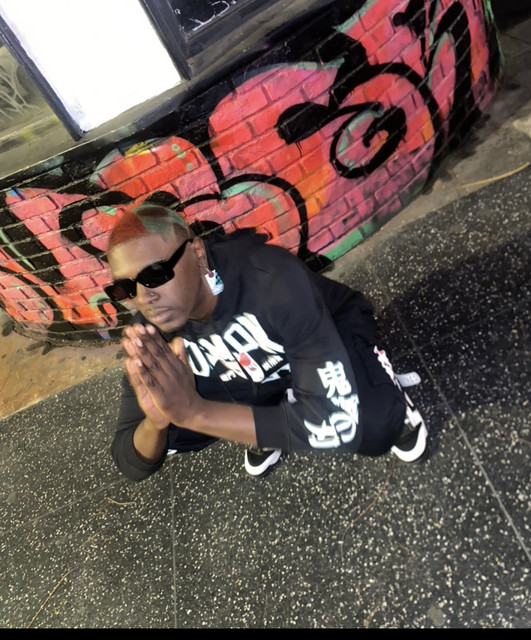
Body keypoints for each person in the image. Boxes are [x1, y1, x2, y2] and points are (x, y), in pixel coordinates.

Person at [104, 204, 428, 482]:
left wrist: (196, 413)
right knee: (167, 420)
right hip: (255, 373)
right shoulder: (151, 334)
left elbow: (338, 423)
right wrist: (157, 422)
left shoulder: (269, 277)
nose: (144, 297)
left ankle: (379, 384)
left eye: (156, 273)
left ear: (197, 253)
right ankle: (271, 413)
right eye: (124, 289)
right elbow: (130, 461)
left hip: (327, 336)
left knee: (375, 424)